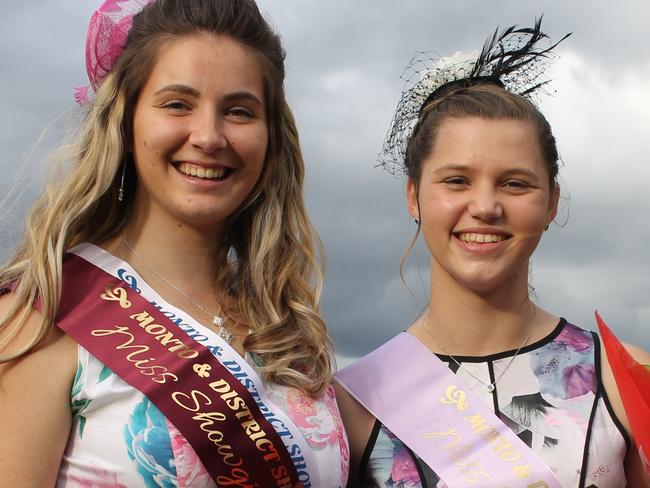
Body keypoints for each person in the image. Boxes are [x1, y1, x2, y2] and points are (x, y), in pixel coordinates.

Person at [0, 0, 348, 486]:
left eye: (239, 111)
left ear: (271, 140)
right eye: (177, 103)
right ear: (125, 122)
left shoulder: (287, 329)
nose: (208, 136)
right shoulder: (42, 316)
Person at [336, 20, 650, 488]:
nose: (485, 207)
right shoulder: (353, 405)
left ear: (551, 202)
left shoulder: (623, 378)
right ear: (414, 197)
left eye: (515, 183)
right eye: (457, 180)